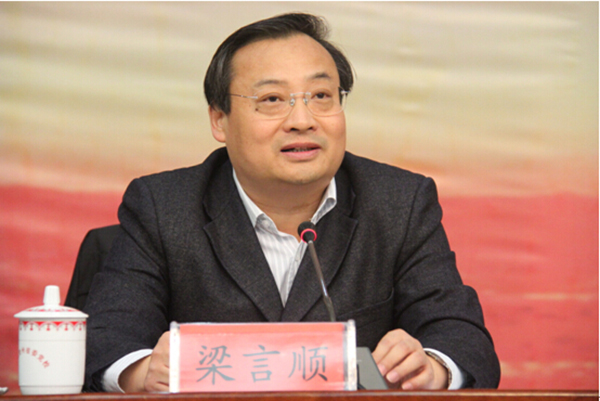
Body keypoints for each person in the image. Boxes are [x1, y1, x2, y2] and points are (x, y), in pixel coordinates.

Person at [83, 12, 500, 392]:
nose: (303, 120)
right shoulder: (163, 206)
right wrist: (141, 373)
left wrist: (433, 368)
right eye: (272, 100)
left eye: (321, 96)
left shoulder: (399, 202)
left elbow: (464, 340)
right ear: (219, 120)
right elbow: (107, 338)